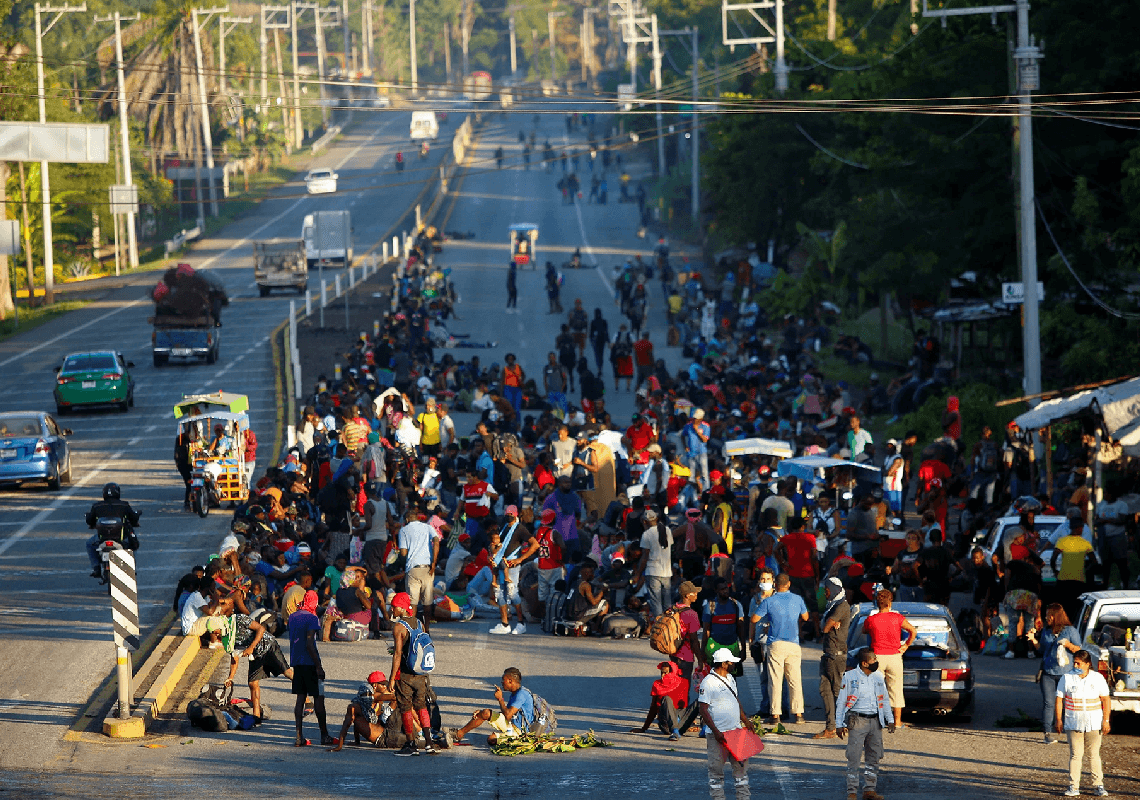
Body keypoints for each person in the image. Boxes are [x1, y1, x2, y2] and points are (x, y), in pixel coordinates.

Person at [836, 647, 895, 800]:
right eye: (873, 660)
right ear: (864, 663)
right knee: (854, 757)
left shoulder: (878, 677)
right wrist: (839, 723)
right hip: (857, 721)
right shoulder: (849, 677)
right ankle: (852, 792)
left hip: (875, 722)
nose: (876, 662)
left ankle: (869, 790)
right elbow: (841, 701)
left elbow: (885, 699)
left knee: (874, 757)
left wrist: (890, 719)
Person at [388, 592, 440, 755]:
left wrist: (391, 678)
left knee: (405, 707)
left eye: (393, 607)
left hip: (406, 675)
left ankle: (411, 744)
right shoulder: (418, 622)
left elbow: (397, 654)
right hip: (421, 674)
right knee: (422, 707)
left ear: (400, 607)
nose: (392, 610)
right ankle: (429, 743)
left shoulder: (399, 627)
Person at [752, 573, 809, 725]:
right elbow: (805, 617)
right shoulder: (797, 599)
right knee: (795, 680)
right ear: (789, 584)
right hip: (793, 644)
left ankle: (775, 715)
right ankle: (799, 714)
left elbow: (754, 619)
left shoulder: (769, 601)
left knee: (775, 681)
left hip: (775, 643)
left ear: (775, 584)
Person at [698, 648, 753, 800]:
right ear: (723, 664)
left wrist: (746, 721)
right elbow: (702, 709)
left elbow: (736, 701)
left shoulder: (730, 679)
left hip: (736, 733)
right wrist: (716, 732)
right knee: (716, 774)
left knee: (741, 772)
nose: (733, 664)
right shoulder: (708, 682)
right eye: (731, 662)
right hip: (718, 736)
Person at [1055, 650, 1111, 797]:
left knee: (1094, 755)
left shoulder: (1098, 678)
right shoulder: (1066, 678)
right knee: (1076, 755)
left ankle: (1098, 785)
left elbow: (1106, 699)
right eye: (1074, 662)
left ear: (1087, 664)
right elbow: (1059, 699)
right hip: (1073, 723)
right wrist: (1059, 720)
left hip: (1094, 723)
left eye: (1078, 663)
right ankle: (1073, 786)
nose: (1075, 665)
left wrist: (1106, 720)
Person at [862, 589, 917, 728]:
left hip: (877, 657)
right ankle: (897, 721)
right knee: (896, 689)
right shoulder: (897, 618)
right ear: (890, 602)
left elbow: (864, 630)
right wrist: (906, 645)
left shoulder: (871, 619)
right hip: (894, 656)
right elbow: (913, 631)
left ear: (877, 603)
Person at [1029, 603, 1082, 744]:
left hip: (1067, 674)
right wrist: (1033, 640)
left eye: (1049, 615)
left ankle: (1071, 732)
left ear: (1055, 616)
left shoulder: (1070, 631)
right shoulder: (1046, 631)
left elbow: (1080, 650)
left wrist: (1068, 645)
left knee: (1069, 703)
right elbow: (1041, 649)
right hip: (1048, 672)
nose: (1047, 618)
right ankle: (1047, 733)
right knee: (1049, 703)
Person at [288, 590, 333, 746]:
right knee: (319, 699)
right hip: (310, 663)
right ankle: (324, 735)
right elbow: (309, 643)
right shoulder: (312, 618)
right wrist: (319, 666)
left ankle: (299, 737)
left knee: (300, 699)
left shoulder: (293, 617)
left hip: (297, 663)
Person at [451, 666, 540, 744]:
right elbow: (507, 713)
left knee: (491, 739)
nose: (501, 682)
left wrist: (500, 699)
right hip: (512, 724)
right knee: (485, 713)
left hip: (520, 732)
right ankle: (459, 734)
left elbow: (508, 715)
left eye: (503, 679)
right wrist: (482, 714)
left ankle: (517, 739)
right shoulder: (515, 693)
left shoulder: (521, 694)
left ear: (510, 681)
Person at [328, 671, 406, 750]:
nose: (385, 686)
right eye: (383, 684)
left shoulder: (379, 699)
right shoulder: (356, 706)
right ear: (375, 686)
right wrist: (339, 746)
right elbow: (345, 727)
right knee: (403, 701)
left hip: (389, 730)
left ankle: (416, 731)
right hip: (386, 738)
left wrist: (357, 741)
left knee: (402, 703)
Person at [814, 577, 852, 739]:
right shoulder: (832, 606)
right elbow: (826, 626)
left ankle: (844, 725)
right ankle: (830, 728)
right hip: (828, 655)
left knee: (837, 692)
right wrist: (828, 625)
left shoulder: (842, 606)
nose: (825, 593)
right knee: (825, 690)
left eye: (827, 590)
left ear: (835, 589)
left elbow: (825, 627)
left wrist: (829, 625)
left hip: (836, 656)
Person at [84, 483, 141, 578]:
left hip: (101, 539)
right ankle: (132, 567)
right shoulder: (124, 505)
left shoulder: (97, 506)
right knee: (133, 545)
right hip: (121, 539)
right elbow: (134, 518)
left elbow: (89, 520)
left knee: (89, 544)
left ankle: (96, 567)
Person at [398, 509, 438, 633]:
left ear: (406, 519)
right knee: (427, 602)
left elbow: (404, 553)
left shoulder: (403, 530)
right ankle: (427, 629)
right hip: (427, 568)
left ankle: (413, 629)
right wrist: (434, 562)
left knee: (413, 602)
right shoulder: (427, 527)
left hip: (413, 569)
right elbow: (436, 541)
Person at [1052, 511, 1095, 620]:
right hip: (1079, 581)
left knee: (1063, 607)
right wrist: (1085, 570)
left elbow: (1053, 559)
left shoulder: (1062, 541)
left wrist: (1055, 571)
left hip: (1063, 580)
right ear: (1079, 528)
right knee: (1076, 608)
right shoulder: (1085, 543)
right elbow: (1094, 562)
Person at [631, 660, 690, 740]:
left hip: (680, 721)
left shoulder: (684, 683)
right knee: (666, 698)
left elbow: (684, 707)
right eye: (661, 673)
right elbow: (653, 708)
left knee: (701, 701)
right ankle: (674, 730)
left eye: (665, 673)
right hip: (667, 725)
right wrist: (644, 728)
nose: (662, 676)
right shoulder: (657, 685)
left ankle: (706, 729)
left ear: (673, 672)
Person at [633, 509, 673, 618]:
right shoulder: (667, 530)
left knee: (656, 603)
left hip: (653, 571)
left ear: (645, 521)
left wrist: (637, 574)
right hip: (666, 572)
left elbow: (645, 556)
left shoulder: (646, 534)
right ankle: (669, 627)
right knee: (667, 604)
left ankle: (660, 628)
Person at [683, 409, 711, 492]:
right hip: (691, 453)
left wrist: (697, 431)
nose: (695, 420)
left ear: (701, 418)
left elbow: (705, 440)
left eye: (696, 418)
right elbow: (683, 435)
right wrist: (685, 446)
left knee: (704, 474)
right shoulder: (688, 425)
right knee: (692, 475)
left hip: (702, 453)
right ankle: (692, 493)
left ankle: (706, 492)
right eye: (694, 418)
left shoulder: (706, 426)